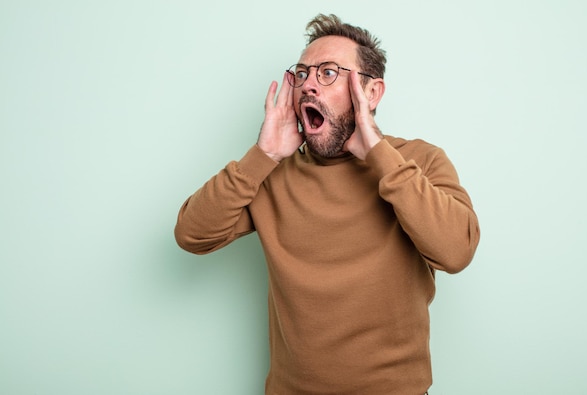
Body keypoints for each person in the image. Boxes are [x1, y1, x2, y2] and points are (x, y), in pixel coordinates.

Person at [175, 13, 480, 395]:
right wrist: (264, 154)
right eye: (301, 75)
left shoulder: (419, 160)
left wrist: (379, 156)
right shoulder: (271, 175)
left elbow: (457, 251)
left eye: (328, 73)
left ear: (372, 93)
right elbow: (191, 235)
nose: (308, 86)